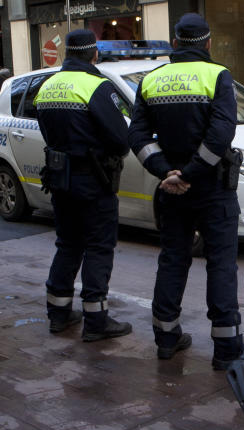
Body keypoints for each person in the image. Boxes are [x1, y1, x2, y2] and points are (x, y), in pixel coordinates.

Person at [128, 13, 242, 369]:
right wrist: (192, 173)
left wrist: (168, 173)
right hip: (212, 188)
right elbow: (221, 136)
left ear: (175, 43)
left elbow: (138, 137)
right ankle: (225, 351)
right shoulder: (217, 76)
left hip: (170, 190)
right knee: (221, 264)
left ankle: (166, 338)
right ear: (208, 43)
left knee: (173, 260)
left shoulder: (151, 80)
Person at [34, 29, 132, 340]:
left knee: (67, 245)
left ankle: (58, 314)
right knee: (98, 248)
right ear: (94, 54)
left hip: (60, 178)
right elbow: (120, 139)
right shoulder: (97, 87)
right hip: (94, 180)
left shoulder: (47, 87)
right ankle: (96, 321)